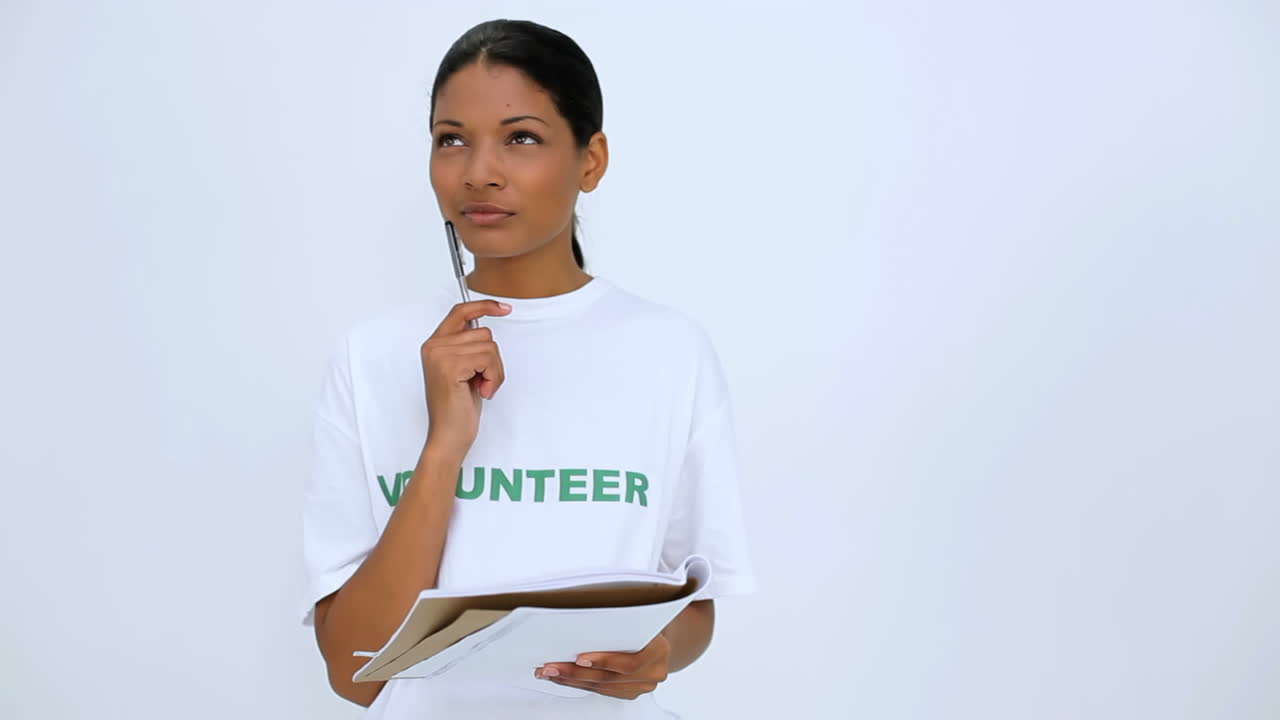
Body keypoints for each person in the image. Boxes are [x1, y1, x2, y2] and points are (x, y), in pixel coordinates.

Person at [300, 18, 758, 719]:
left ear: (590, 160)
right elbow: (355, 672)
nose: (478, 172)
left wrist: (659, 653)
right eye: (451, 139)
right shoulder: (372, 357)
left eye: (520, 138)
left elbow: (693, 603)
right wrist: (443, 447)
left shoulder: (671, 351)